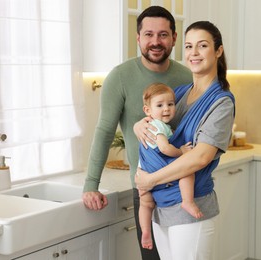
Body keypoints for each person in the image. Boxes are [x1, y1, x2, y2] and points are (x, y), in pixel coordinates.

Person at [82, 6, 192, 260]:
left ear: (174, 38)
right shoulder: (119, 77)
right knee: (152, 257)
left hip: (185, 185)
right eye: (149, 34)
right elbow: (104, 132)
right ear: (138, 38)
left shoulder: (186, 76)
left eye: (163, 35)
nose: (155, 42)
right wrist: (91, 184)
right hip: (146, 186)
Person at [134, 21, 235, 260]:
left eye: (202, 46)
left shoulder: (221, 102)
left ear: (218, 51)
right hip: (162, 206)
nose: (194, 53)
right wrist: (138, 124)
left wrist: (150, 180)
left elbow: (200, 157)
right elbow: (153, 119)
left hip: (191, 208)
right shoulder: (177, 94)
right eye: (189, 46)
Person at [139, 82, 202, 250]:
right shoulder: (158, 125)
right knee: (187, 170)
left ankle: (145, 231)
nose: (166, 109)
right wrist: (182, 152)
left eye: (170, 104)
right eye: (160, 105)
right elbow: (164, 148)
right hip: (155, 169)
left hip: (143, 171)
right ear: (148, 111)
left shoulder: (153, 125)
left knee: (145, 203)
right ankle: (187, 201)